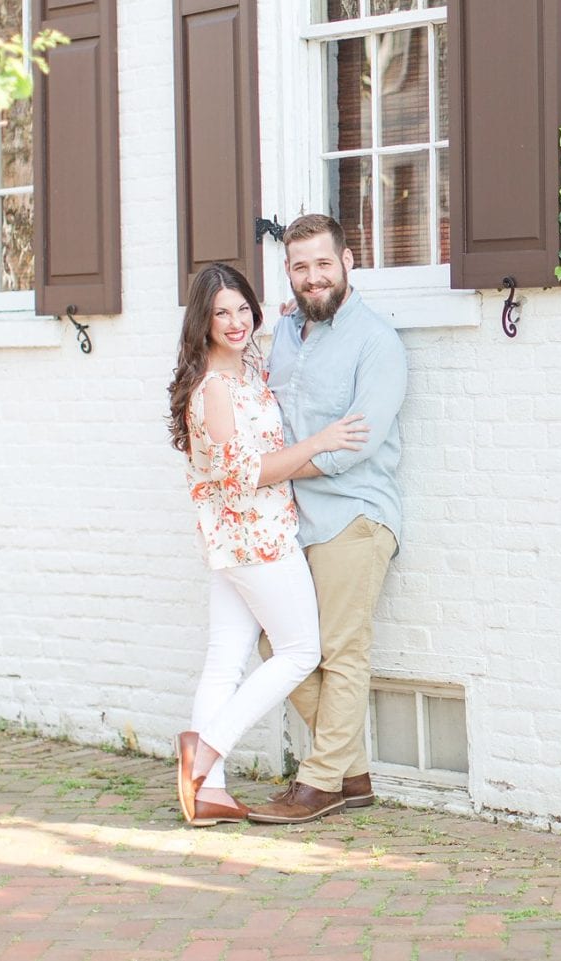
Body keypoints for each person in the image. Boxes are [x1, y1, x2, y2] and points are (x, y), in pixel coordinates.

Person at [166, 262, 369, 826]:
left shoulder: (241, 366)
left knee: (224, 660)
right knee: (300, 652)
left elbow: (262, 340)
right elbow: (245, 475)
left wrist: (277, 319)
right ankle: (207, 752)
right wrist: (322, 442)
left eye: (241, 309)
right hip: (258, 538)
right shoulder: (214, 390)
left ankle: (208, 793)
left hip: (233, 542)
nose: (234, 322)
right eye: (219, 314)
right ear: (200, 323)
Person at [247, 214, 408, 825]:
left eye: (322, 263)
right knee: (280, 643)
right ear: (288, 274)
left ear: (347, 262)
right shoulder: (286, 334)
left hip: (354, 518)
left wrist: (277, 468)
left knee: (340, 652)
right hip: (292, 523)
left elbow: (350, 450)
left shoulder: (376, 342)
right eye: (300, 267)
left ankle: (318, 784)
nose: (313, 278)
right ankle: (352, 772)